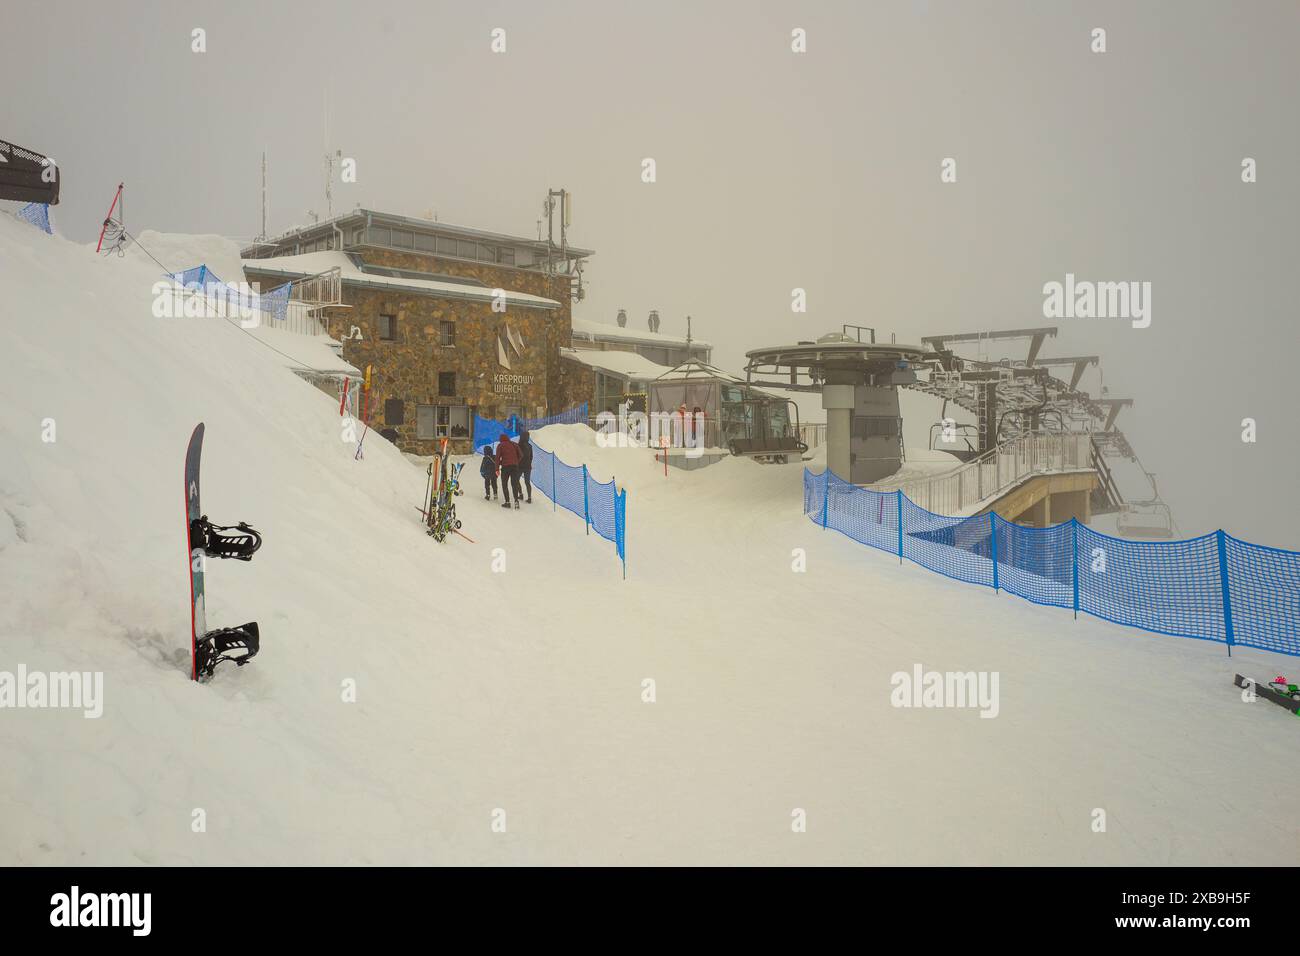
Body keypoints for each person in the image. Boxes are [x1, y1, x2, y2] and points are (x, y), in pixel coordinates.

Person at [495, 432, 523, 509]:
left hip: (505, 467)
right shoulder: (514, 444)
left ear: (501, 440)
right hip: (515, 467)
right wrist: (516, 461)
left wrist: (497, 469)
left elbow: (497, 458)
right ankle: (516, 502)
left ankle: (507, 502)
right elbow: (521, 455)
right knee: (514, 484)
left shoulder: (500, 445)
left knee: (505, 484)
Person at [517, 429, 534, 503]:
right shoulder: (530, 446)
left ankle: (520, 494)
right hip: (528, 467)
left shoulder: (519, 445)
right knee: (527, 482)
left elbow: (517, 455)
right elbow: (531, 457)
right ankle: (529, 497)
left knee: (516, 480)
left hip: (520, 466)